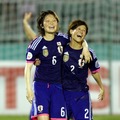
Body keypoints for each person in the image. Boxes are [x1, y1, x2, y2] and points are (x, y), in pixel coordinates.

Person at [24, 10, 91, 120]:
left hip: (59, 87)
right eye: (48, 21)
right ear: (42, 24)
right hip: (41, 86)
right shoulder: (36, 44)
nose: (51, 23)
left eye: (54, 20)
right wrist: (28, 89)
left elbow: (79, 38)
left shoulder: (63, 39)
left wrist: (85, 48)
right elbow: (28, 68)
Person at [62, 19, 105, 120]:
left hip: (81, 95)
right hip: (62, 94)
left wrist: (101, 87)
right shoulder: (62, 48)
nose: (81, 31)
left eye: (84, 30)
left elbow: (94, 71)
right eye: (78, 29)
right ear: (71, 31)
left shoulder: (89, 53)